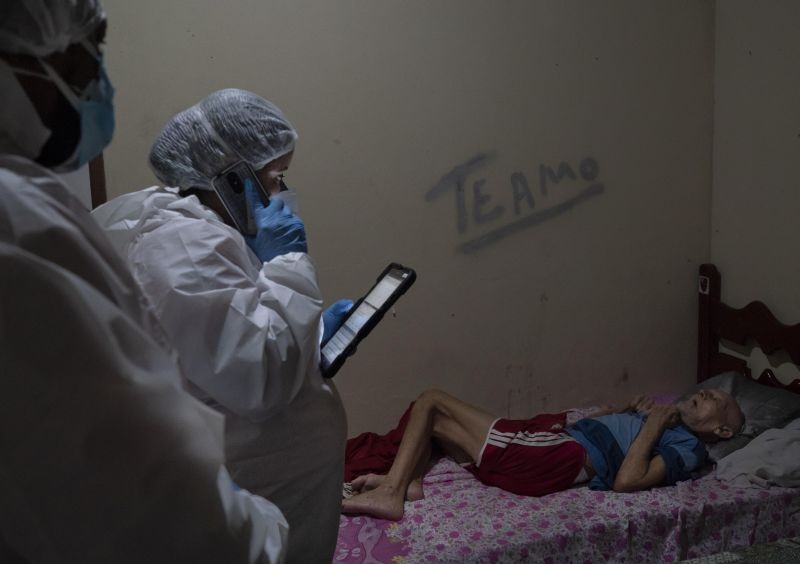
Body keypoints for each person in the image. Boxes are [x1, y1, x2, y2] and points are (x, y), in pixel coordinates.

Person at [1, 2, 289, 562]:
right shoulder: (21, 222)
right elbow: (151, 496)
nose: (94, 79)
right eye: (89, 50)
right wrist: (268, 530)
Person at [92, 89, 348, 563]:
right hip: (257, 500)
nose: (282, 194)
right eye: (276, 177)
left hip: (272, 489)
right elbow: (259, 378)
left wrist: (309, 345)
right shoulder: (182, 251)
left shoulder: (202, 234)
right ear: (232, 178)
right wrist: (290, 261)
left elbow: (237, 346)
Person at [341, 387, 744, 521]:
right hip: (556, 446)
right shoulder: (670, 425)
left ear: (722, 430)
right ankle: (409, 481)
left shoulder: (689, 448)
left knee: (432, 401)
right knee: (432, 419)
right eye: (708, 390)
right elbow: (616, 437)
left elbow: (628, 481)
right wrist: (626, 414)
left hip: (557, 458)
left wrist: (655, 423)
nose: (708, 394)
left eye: (719, 401)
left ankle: (392, 494)